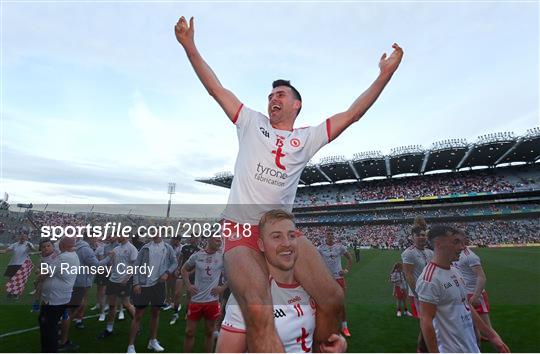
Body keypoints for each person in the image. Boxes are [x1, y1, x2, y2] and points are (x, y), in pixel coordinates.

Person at [175, 16, 403, 351]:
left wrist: (384, 75)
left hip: (280, 232)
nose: (272, 99)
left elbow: (353, 114)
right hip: (241, 230)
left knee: (331, 297)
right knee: (258, 308)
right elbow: (215, 88)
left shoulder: (306, 138)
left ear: (296, 104)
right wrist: (190, 46)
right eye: (269, 95)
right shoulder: (250, 122)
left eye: (279, 94)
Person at [216, 209, 347, 353]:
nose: (287, 243)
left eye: (291, 235)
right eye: (276, 237)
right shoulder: (248, 297)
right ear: (261, 245)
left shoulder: (311, 289)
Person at [416, 225, 510, 353]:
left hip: (470, 348)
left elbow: (466, 305)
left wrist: (492, 335)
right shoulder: (430, 279)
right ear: (438, 244)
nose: (462, 247)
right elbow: (426, 321)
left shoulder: (455, 271)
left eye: (461, 242)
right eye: (456, 242)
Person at [126, 236, 177, 353]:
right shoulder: (145, 248)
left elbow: (175, 262)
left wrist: (167, 273)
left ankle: (152, 340)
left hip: (158, 285)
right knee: (138, 315)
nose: (156, 234)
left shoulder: (167, 248)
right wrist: (136, 283)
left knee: (156, 313)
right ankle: (131, 345)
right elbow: (136, 266)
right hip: (144, 285)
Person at [181, 236, 226, 353]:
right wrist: (189, 285)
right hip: (196, 300)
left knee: (209, 332)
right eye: (217, 240)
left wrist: (222, 288)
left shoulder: (222, 257)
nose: (219, 243)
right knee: (189, 332)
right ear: (210, 240)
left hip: (212, 301)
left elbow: (232, 274)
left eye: (220, 241)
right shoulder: (197, 256)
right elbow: (184, 269)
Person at [38, 237, 79, 353]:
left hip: (55, 299)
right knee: (48, 324)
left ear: (65, 245)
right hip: (58, 297)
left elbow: (44, 273)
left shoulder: (64, 258)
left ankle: (49, 350)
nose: (57, 245)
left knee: (48, 327)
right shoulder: (71, 254)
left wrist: (38, 276)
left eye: (60, 243)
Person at [453, 229, 493, 344]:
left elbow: (481, 277)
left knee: (488, 330)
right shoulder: (454, 254)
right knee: (470, 329)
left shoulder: (470, 256)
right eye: (455, 241)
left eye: (459, 240)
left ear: (465, 240)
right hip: (463, 294)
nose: (457, 243)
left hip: (475, 294)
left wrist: (475, 296)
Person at [401, 221, 433, 351]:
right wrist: (418, 294)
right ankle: (421, 349)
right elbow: (408, 275)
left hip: (431, 293)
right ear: (412, 237)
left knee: (431, 323)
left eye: (424, 235)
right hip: (418, 295)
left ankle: (427, 347)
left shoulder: (429, 252)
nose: (422, 237)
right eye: (419, 235)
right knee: (425, 324)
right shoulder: (408, 253)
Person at [97, 237, 137, 339]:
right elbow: (108, 262)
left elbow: (134, 265)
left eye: (119, 235)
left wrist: (126, 278)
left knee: (126, 304)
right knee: (111, 305)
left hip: (124, 281)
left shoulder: (131, 248)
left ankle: (137, 325)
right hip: (113, 280)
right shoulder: (116, 248)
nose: (116, 237)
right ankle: (109, 329)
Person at [317, 231, 354, 336]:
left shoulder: (339, 247)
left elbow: (350, 258)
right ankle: (331, 327)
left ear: (334, 236)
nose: (330, 236)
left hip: (339, 278)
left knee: (341, 304)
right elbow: (314, 261)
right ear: (325, 236)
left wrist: (346, 270)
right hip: (327, 280)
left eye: (332, 234)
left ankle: (345, 327)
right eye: (328, 234)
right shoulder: (320, 248)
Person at [170, 236, 200, 325]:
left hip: (192, 274)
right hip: (182, 272)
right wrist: (178, 268)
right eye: (193, 237)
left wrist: (190, 272)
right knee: (177, 293)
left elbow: (197, 265)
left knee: (189, 295)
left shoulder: (199, 250)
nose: (194, 239)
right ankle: (175, 313)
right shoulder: (185, 247)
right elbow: (180, 259)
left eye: (196, 238)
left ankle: (187, 312)